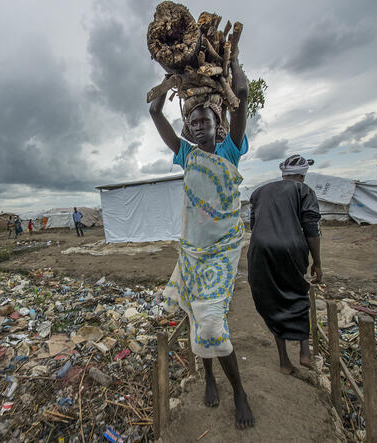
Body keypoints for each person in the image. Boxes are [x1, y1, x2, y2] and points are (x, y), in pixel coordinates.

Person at [149, 54, 254, 429]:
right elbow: (155, 115)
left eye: (204, 120)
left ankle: (239, 391)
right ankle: (209, 376)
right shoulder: (186, 155)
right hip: (192, 253)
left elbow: (240, 92)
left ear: (217, 123)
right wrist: (167, 84)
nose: (197, 126)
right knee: (198, 318)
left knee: (211, 324)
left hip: (221, 253)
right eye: (192, 122)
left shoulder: (230, 150)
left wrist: (234, 59)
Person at [247, 154, 322, 375]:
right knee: (298, 293)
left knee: (272, 299)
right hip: (291, 247)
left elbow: (253, 225)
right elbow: (311, 227)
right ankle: (305, 353)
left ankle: (284, 362)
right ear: (303, 175)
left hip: (259, 249)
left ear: (283, 173)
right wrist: (317, 263)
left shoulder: (259, 192)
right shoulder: (304, 191)